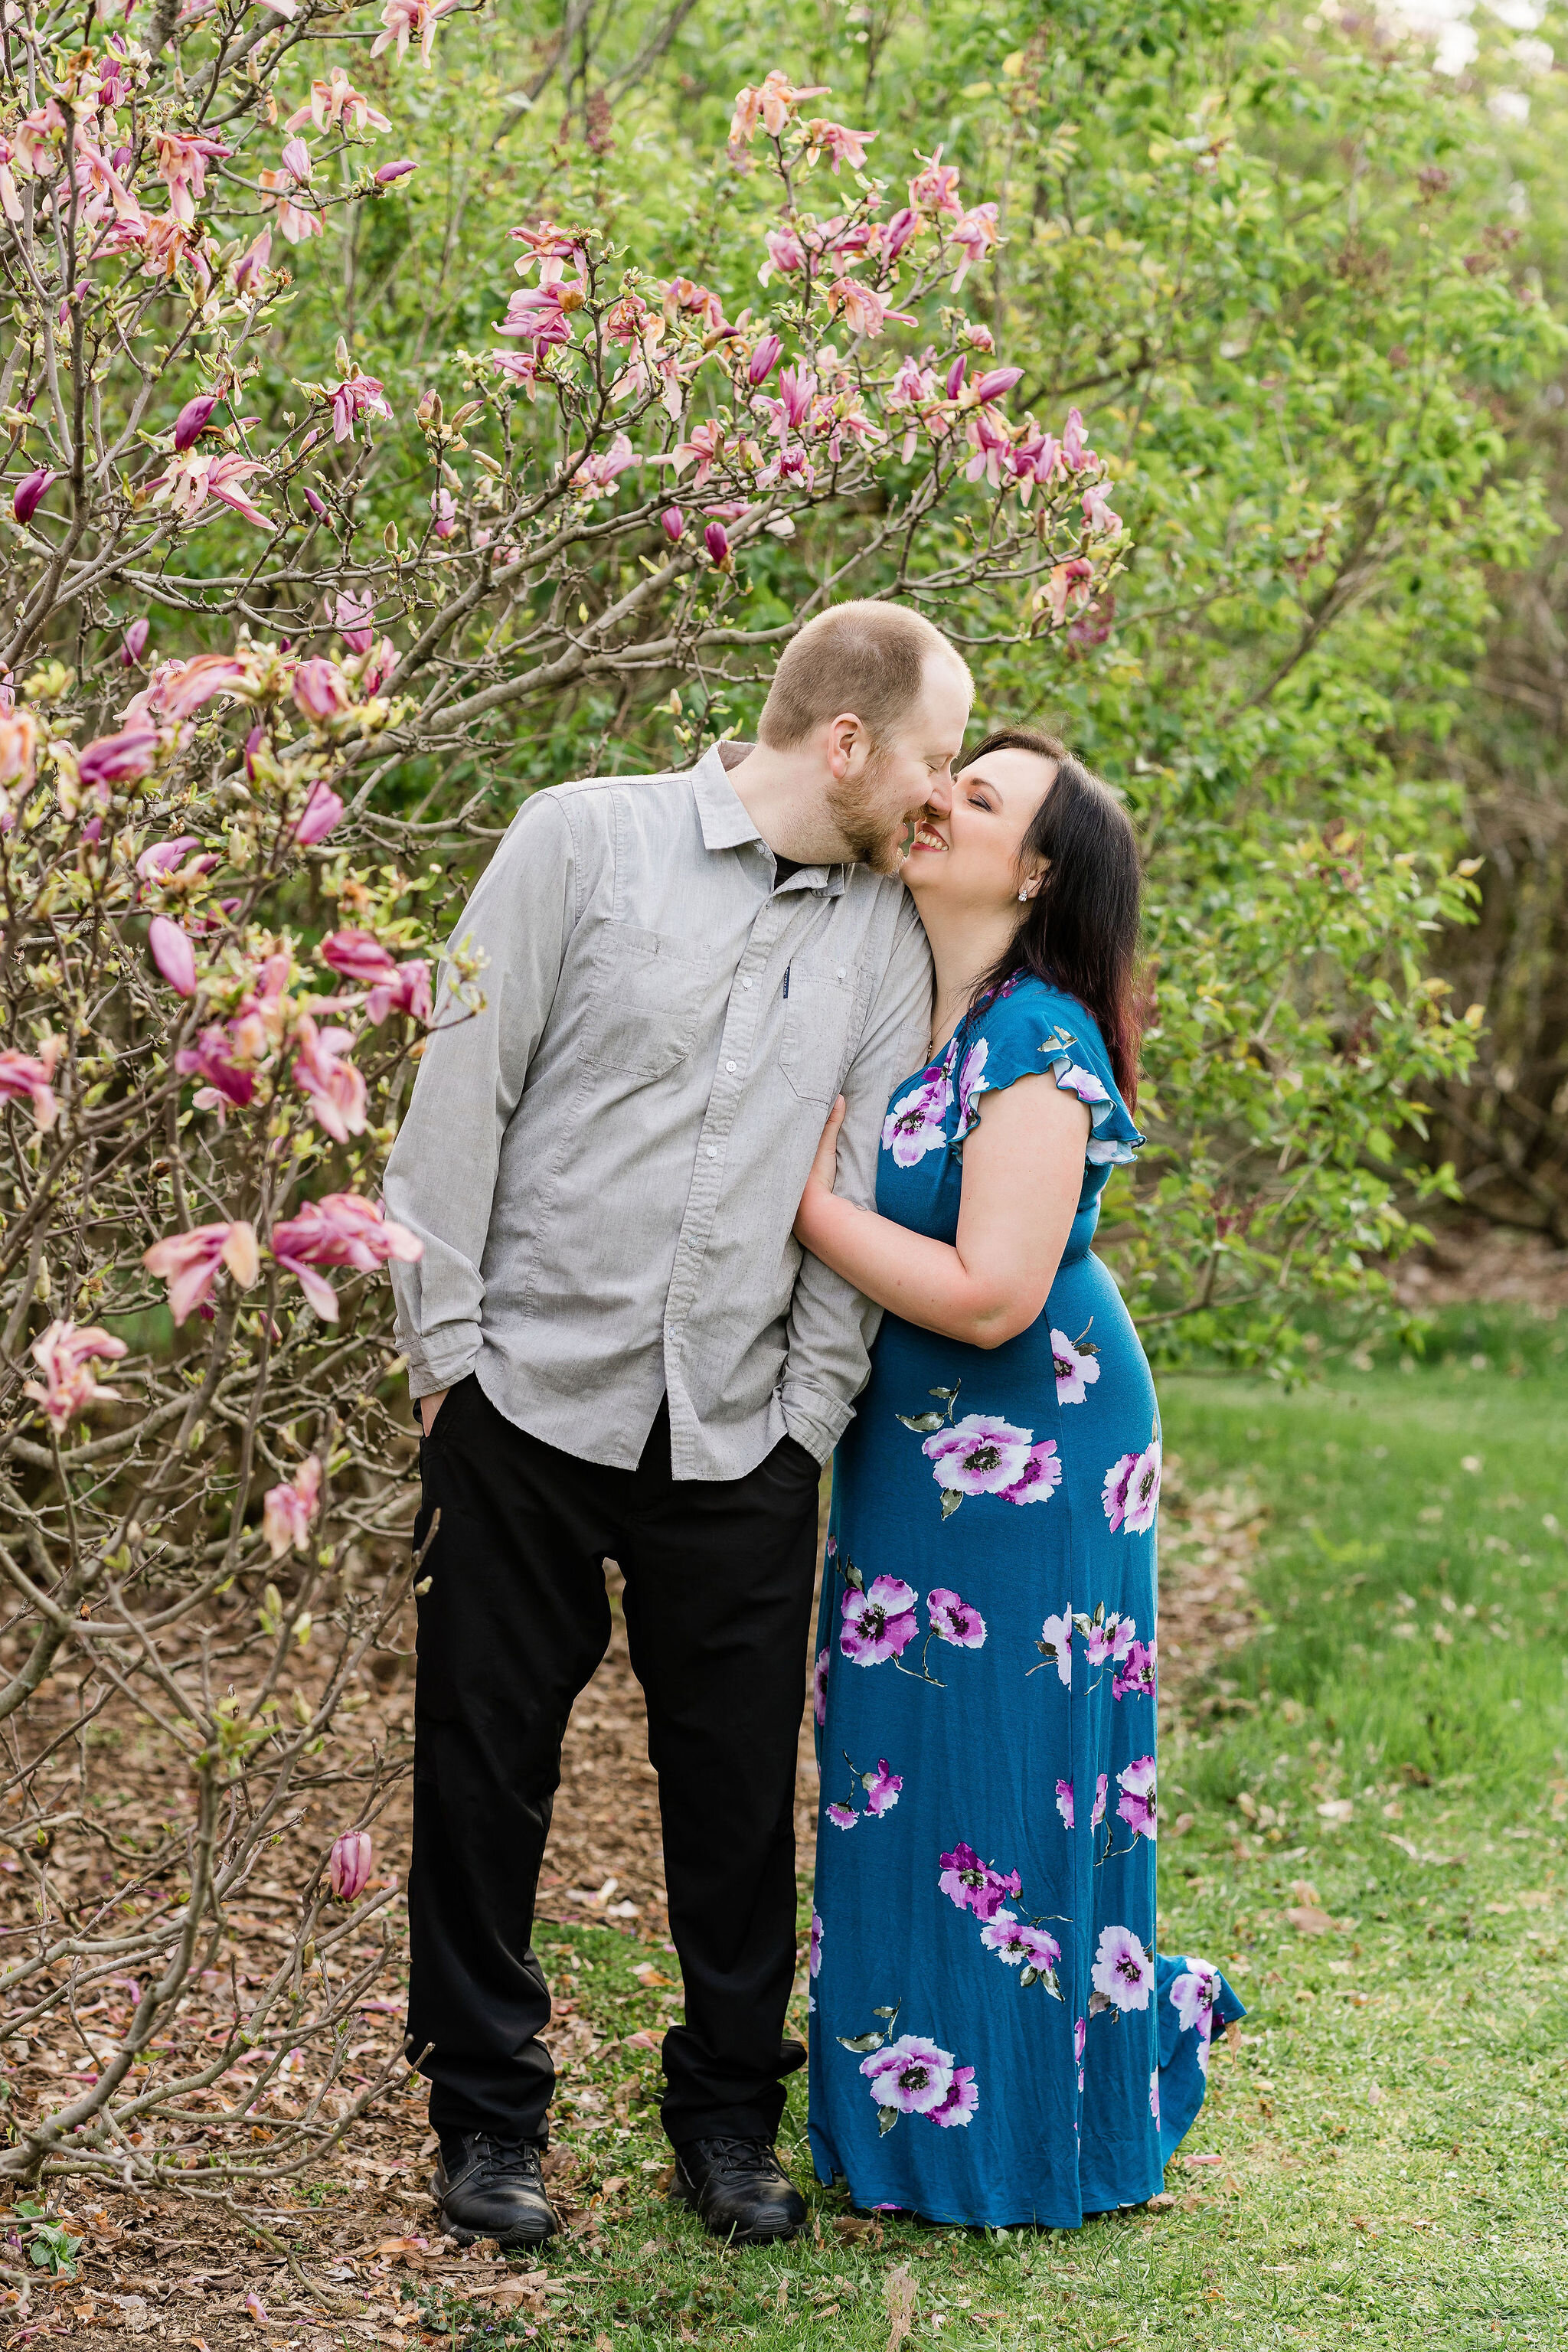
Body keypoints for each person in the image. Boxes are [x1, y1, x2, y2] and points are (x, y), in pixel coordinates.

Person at [382, 600, 975, 2249]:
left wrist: (806, 1413)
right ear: (844, 740)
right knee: (483, 1774)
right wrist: (450, 1360)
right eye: (931, 754)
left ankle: (726, 2117)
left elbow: (850, 1186)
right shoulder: (580, 843)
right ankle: (487, 2120)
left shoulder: (883, 940)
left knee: (732, 1797)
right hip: (522, 1406)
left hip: (735, 1438)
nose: (939, 793)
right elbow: (457, 1095)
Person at [795, 726, 1243, 2226]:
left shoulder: (1036, 1034)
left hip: (1038, 1445)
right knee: (898, 1766)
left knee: (1004, 1761)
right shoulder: (915, 1007)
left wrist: (797, 1204)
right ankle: (907, 2122)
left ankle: (1031, 2122)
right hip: (918, 1454)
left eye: (976, 799)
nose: (937, 804)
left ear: (1037, 868)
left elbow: (992, 1289)